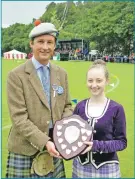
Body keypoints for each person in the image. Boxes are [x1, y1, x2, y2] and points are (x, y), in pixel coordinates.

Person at [6, 21, 73, 178]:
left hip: (55, 144)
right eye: (40, 42)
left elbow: (67, 107)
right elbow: (19, 119)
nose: (45, 47)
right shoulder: (16, 76)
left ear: (54, 46)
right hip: (25, 149)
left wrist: (62, 135)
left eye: (49, 42)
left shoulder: (61, 74)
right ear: (31, 44)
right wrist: (45, 141)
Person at [72, 59, 127, 178]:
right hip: (80, 167)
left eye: (99, 81)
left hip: (107, 169)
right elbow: (72, 134)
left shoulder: (116, 108)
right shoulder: (80, 106)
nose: (94, 85)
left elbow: (122, 142)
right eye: (90, 81)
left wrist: (96, 146)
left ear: (107, 81)